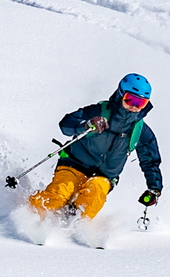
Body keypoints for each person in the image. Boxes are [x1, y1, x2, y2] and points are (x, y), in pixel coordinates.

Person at [28, 73, 162, 221]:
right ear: (120, 94)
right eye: (130, 99)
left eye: (140, 103)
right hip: (73, 165)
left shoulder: (140, 130)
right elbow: (65, 124)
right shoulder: (99, 112)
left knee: (93, 198)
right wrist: (85, 125)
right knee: (59, 194)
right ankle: (30, 217)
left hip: (104, 177)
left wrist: (154, 188)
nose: (134, 106)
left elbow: (150, 161)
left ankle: (70, 229)